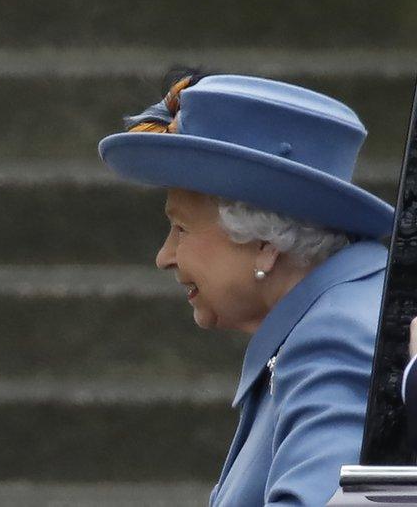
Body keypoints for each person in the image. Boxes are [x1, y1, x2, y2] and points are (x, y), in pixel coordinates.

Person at [99, 74, 393, 506]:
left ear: (265, 244)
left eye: (181, 227)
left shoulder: (334, 337)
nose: (165, 256)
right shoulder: (326, 321)